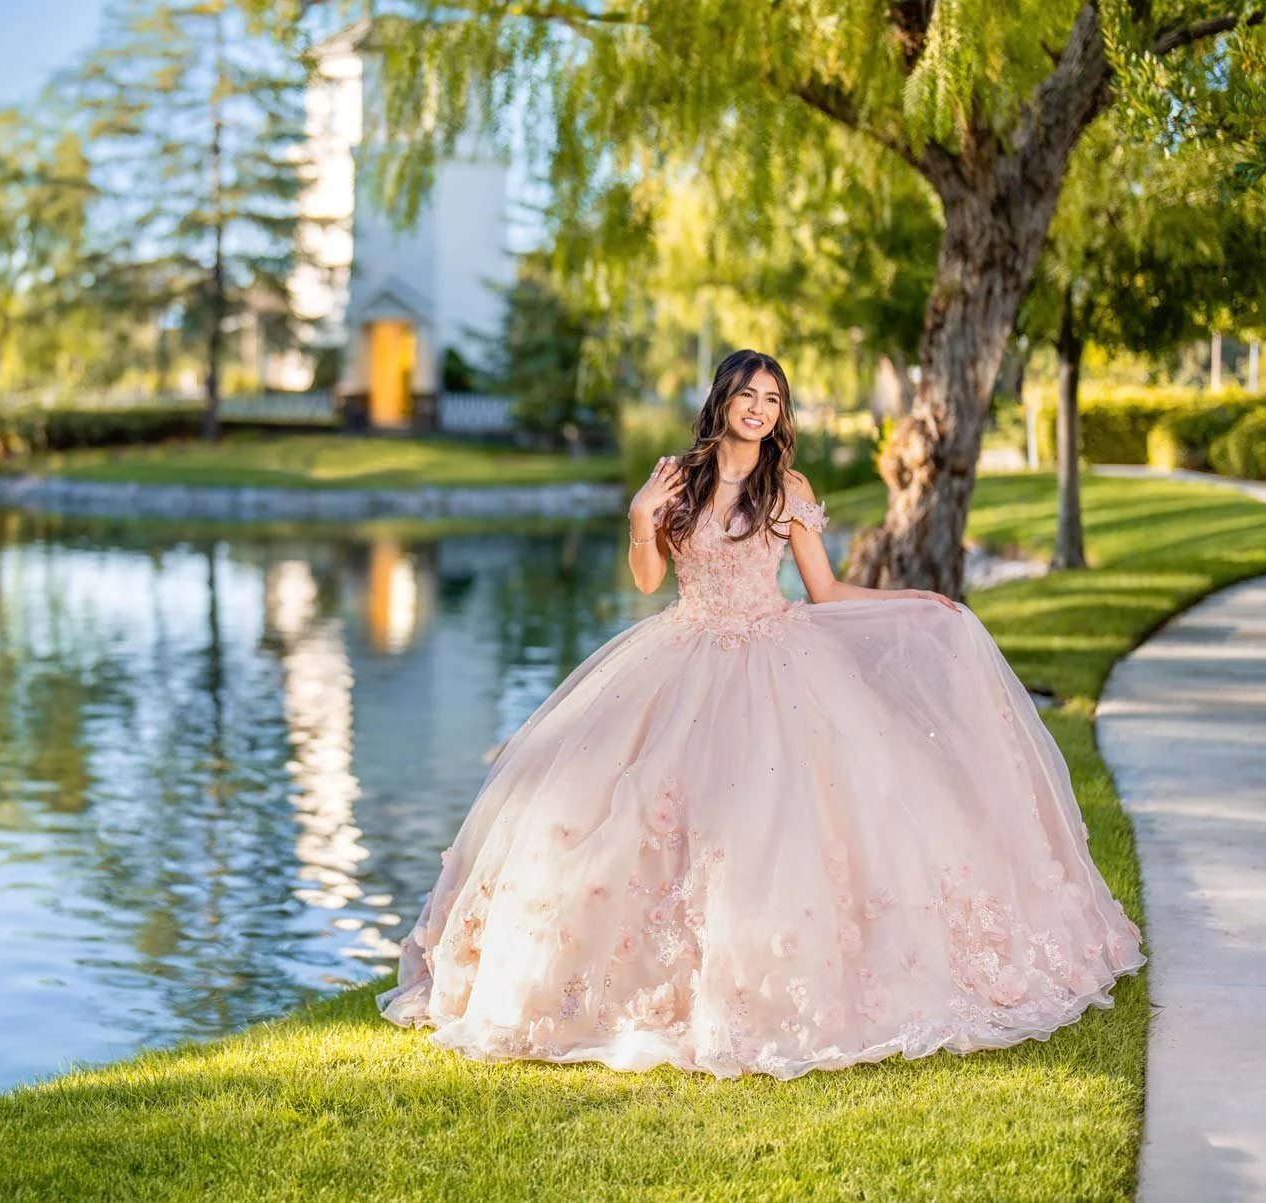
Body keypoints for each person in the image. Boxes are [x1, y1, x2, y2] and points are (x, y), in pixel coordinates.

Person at [377, 349, 1144, 1079]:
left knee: (779, 815)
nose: (758, 408)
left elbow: (825, 592)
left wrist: (918, 602)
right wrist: (642, 516)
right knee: (652, 810)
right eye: (747, 394)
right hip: (679, 654)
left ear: (780, 416)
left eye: (772, 399)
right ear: (722, 400)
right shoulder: (675, 479)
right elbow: (648, 581)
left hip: (778, 659)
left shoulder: (786, 488)